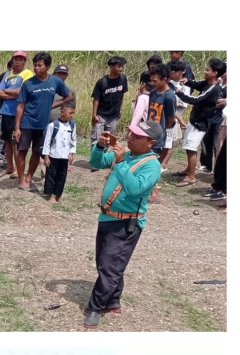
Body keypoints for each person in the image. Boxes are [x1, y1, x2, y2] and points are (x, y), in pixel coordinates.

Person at [83, 119, 163, 327]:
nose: (130, 137)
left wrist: (119, 164)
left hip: (126, 223)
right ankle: (113, 300)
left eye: (137, 136)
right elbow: (96, 163)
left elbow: (135, 189)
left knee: (110, 266)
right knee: (107, 262)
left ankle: (96, 307)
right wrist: (100, 147)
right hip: (107, 217)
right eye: (131, 133)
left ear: (151, 143)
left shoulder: (152, 165)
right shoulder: (126, 154)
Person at [14, 52, 72, 192]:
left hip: (43, 125)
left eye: (40, 65)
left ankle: (29, 179)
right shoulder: (28, 84)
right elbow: (20, 106)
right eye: (35, 65)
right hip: (27, 122)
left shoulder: (55, 81)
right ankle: (21, 180)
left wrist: (52, 106)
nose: (36, 68)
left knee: (36, 152)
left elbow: (68, 96)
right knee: (22, 151)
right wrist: (17, 128)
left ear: (48, 66)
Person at [173, 58, 227, 184]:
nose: (205, 71)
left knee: (191, 148)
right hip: (195, 119)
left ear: (215, 73)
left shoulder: (213, 89)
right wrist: (188, 82)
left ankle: (191, 176)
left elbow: (196, 100)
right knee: (188, 146)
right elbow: (197, 85)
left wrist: (178, 92)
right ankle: (188, 169)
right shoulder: (207, 83)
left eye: (208, 70)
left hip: (200, 123)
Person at [0, 52, 32, 178]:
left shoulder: (27, 74)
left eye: (20, 59)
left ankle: (17, 169)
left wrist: (6, 91)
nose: (17, 61)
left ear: (25, 61)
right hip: (6, 111)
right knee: (7, 141)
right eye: (15, 59)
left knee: (16, 141)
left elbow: (22, 91)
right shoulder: (7, 74)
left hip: (19, 112)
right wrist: (11, 94)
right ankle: (10, 167)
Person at [90, 56, 129, 169]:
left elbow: (121, 95)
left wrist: (120, 109)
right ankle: (94, 162)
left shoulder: (123, 79)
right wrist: (94, 114)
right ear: (111, 67)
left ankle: (102, 160)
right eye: (118, 66)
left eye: (122, 66)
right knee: (97, 138)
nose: (121, 69)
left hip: (114, 115)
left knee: (108, 139)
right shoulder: (102, 82)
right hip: (101, 114)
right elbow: (96, 99)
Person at [145, 64, 176, 202]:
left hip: (157, 136)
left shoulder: (169, 96)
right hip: (148, 132)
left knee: (149, 163)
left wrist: (161, 132)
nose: (152, 83)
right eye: (151, 80)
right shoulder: (153, 93)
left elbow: (170, 118)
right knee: (147, 162)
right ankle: (153, 192)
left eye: (155, 80)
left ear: (165, 79)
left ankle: (154, 194)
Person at [42, 103, 77, 203]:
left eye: (73, 113)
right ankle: (50, 195)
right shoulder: (53, 125)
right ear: (62, 112)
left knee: (62, 176)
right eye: (70, 113)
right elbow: (47, 142)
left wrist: (71, 153)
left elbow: (73, 140)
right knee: (51, 175)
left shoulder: (72, 125)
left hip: (64, 156)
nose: (71, 115)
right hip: (53, 155)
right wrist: (46, 156)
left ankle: (58, 194)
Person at [164, 60, 191, 172]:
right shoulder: (166, 83)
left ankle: (163, 164)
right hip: (163, 117)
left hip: (174, 118)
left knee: (169, 143)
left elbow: (183, 103)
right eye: (171, 72)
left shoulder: (185, 86)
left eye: (175, 72)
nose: (172, 74)